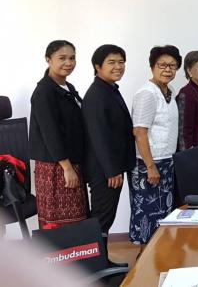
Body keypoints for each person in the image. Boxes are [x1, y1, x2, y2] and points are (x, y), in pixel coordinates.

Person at [29, 40, 88, 229]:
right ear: (48, 59)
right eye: (62, 58)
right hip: (56, 167)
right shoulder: (44, 91)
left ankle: (80, 251)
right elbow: (50, 133)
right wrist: (67, 168)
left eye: (72, 58)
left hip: (72, 162)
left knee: (78, 220)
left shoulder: (68, 87)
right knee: (59, 224)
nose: (68, 63)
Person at [82, 44, 135, 239]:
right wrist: (111, 170)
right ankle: (98, 257)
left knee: (105, 218)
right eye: (111, 62)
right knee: (101, 219)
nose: (118, 67)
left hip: (111, 167)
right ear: (98, 66)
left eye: (121, 62)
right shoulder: (97, 95)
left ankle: (102, 256)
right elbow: (99, 137)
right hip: (104, 170)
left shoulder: (109, 89)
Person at [129, 45, 181, 244]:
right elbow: (139, 132)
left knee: (163, 214)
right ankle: (144, 259)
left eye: (172, 66)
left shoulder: (169, 91)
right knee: (147, 215)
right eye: (162, 65)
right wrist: (150, 166)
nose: (167, 70)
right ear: (152, 67)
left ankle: (160, 256)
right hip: (149, 164)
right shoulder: (147, 94)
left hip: (167, 161)